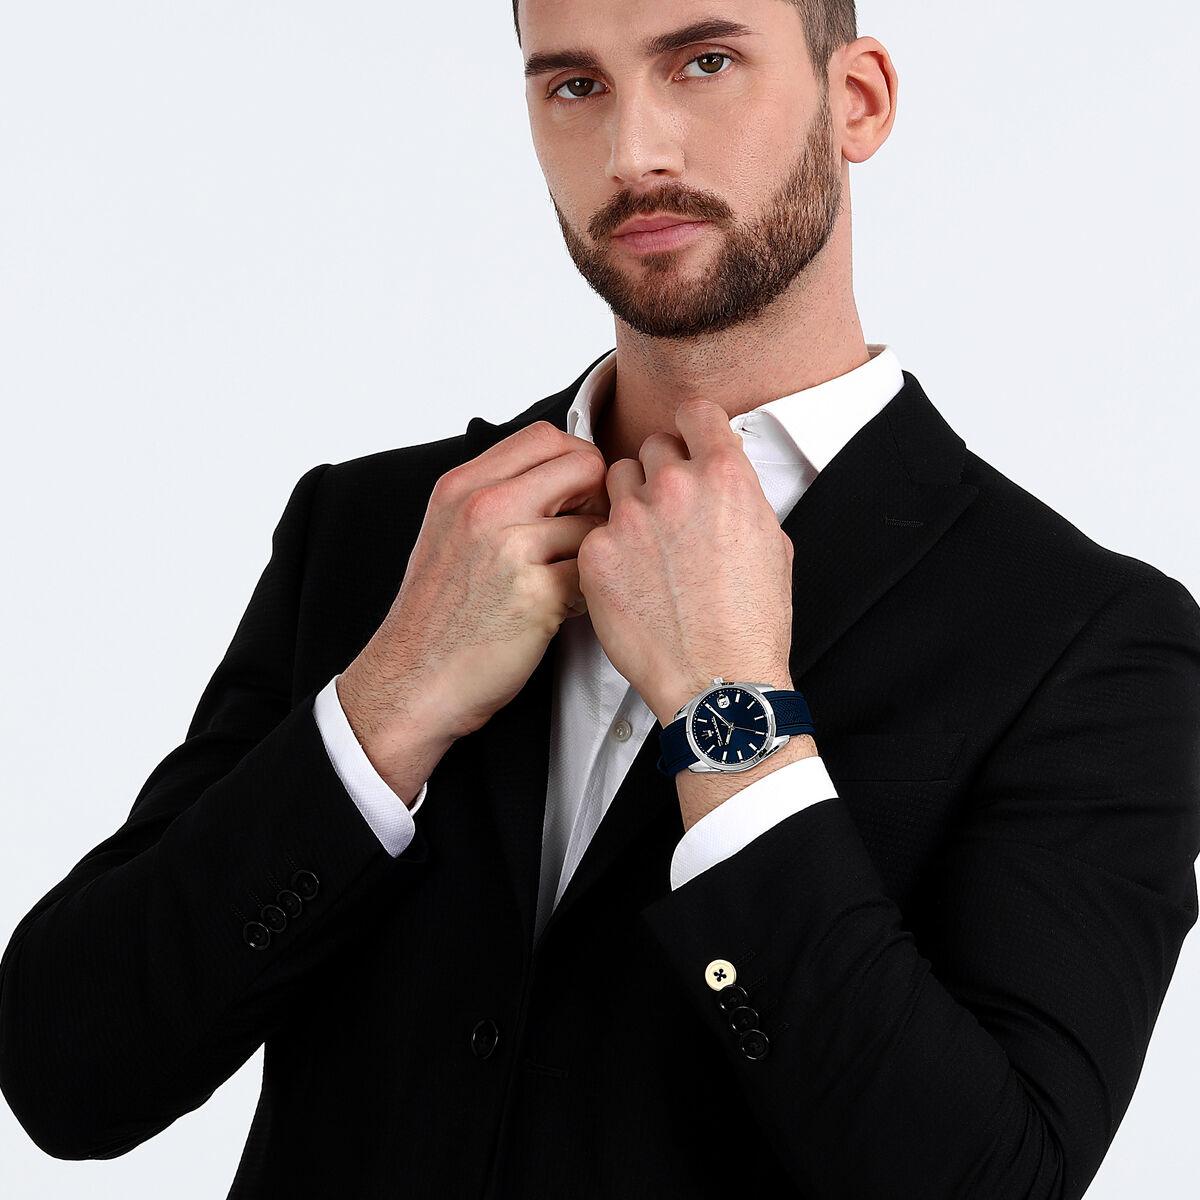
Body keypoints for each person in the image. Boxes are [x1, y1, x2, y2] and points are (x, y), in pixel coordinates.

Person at [3, 2, 1198, 1196]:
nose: (634, 151)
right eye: (574, 85)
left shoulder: (1090, 645)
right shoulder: (373, 532)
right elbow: (67, 1074)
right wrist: (390, 703)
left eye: (706, 62)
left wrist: (731, 710)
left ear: (858, 99)